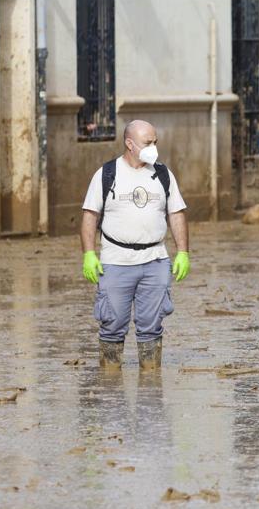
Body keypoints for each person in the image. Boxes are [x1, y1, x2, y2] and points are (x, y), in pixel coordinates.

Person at [80, 120, 191, 370]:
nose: (153, 147)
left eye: (155, 142)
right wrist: (89, 253)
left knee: (152, 327)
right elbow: (90, 215)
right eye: (147, 143)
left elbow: (176, 213)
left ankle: (151, 389)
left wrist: (183, 251)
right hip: (115, 262)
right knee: (112, 324)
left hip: (155, 261)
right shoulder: (107, 174)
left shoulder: (163, 174)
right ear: (130, 144)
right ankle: (110, 387)